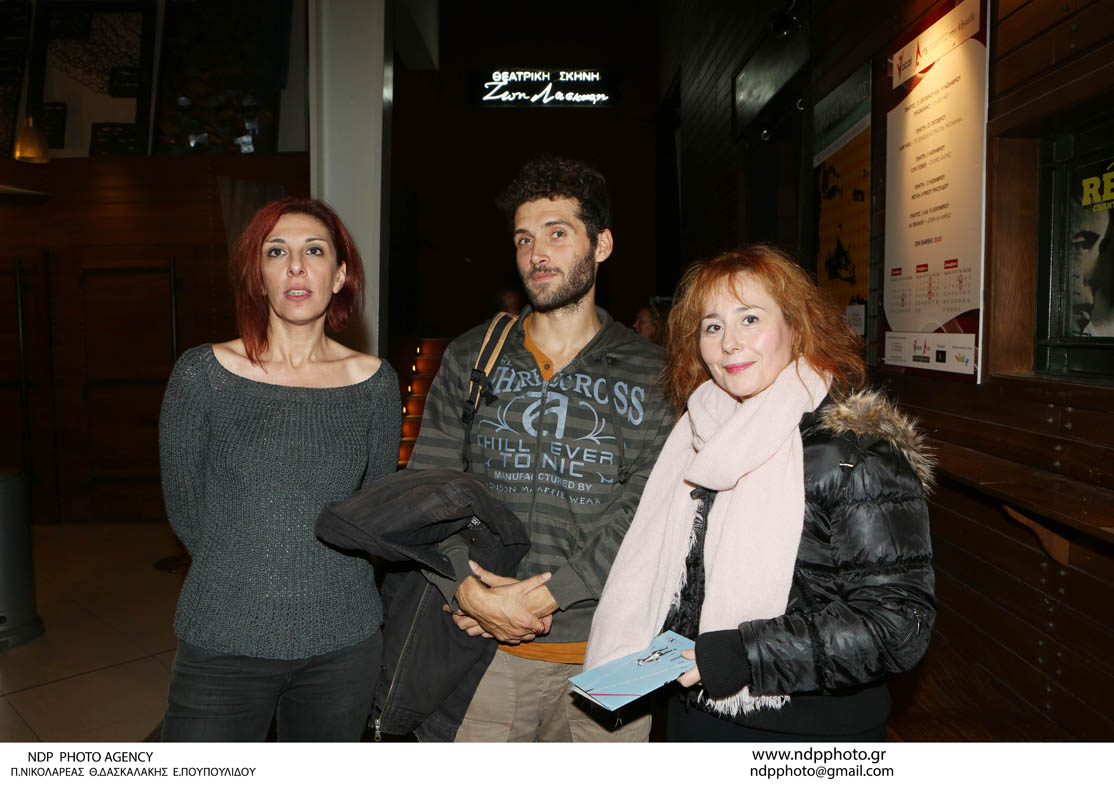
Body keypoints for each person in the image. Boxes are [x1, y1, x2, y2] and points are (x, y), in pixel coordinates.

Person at [586, 245, 935, 742]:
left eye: (749, 319)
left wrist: (742, 655)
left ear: (796, 326)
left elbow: (899, 625)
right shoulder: (697, 435)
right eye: (712, 326)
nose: (729, 342)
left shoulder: (854, 452)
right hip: (691, 709)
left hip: (806, 733)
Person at [404, 155, 673, 741]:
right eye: (524, 239)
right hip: (485, 647)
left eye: (557, 234)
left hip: (620, 649)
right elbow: (428, 489)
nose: (536, 254)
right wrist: (466, 591)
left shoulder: (655, 371)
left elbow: (650, 512)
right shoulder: (473, 356)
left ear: (601, 245)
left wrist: (549, 596)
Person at [158, 197, 401, 741]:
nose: (295, 266)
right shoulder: (203, 375)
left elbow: (372, 513)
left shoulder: (375, 384)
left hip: (344, 644)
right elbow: (187, 510)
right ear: (258, 276)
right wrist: (250, 576)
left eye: (313, 251)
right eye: (276, 252)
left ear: (339, 275)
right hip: (224, 636)